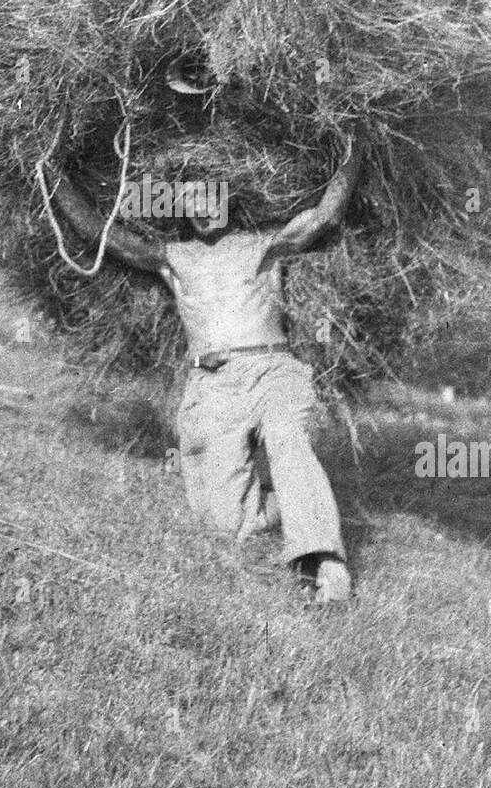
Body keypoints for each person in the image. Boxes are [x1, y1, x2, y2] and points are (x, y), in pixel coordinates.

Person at [49, 139, 362, 603]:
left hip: (273, 369)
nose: (202, 206)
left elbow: (322, 217)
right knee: (225, 524)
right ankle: (291, 499)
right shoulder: (172, 257)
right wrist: (55, 174)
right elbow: (105, 237)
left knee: (287, 436)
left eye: (211, 195)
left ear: (230, 200)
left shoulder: (262, 246)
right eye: (191, 199)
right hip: (212, 385)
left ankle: (326, 562)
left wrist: (356, 150)